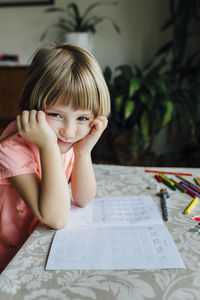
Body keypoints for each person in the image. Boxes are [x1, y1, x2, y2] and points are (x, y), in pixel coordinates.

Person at [0, 43, 110, 272]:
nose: (68, 132)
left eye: (82, 118)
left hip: (35, 247)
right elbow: (57, 218)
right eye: (56, 114)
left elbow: (82, 198)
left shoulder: (65, 141)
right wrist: (48, 146)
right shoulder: (13, 146)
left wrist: (83, 151)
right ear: (32, 107)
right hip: (9, 257)